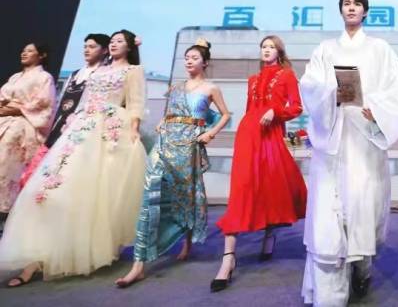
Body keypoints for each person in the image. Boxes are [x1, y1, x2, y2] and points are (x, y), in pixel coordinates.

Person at [0, 30, 147, 286]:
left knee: (95, 194)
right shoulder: (98, 70)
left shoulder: (133, 71)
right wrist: (70, 125)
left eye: (119, 41)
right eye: (112, 41)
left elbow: (135, 103)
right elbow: (83, 101)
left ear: (130, 47)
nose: (114, 44)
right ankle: (35, 258)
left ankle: (80, 250)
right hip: (81, 128)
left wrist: (133, 130)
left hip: (110, 130)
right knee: (52, 186)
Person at [299, 0, 398, 306]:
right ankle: (330, 290)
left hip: (364, 138)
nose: (351, 8)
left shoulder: (380, 49)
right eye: (346, 3)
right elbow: (309, 85)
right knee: (329, 212)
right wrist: (331, 92)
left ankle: (362, 265)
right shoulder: (325, 49)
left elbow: (396, 92)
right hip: (332, 138)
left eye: (357, 3)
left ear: (365, 11)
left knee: (363, 205)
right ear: (341, 11)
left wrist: (376, 109)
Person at [116, 38, 231, 287]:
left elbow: (225, 115)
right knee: (151, 193)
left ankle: (186, 241)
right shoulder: (176, 88)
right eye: (186, 58)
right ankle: (138, 264)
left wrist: (210, 133)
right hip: (165, 141)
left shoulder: (211, 88)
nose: (189, 61)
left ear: (205, 62)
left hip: (188, 145)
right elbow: (170, 112)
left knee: (185, 194)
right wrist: (161, 123)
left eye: (194, 58)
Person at [210, 35, 306, 292]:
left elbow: (296, 107)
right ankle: (228, 258)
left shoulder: (287, 75)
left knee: (271, 189)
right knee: (241, 191)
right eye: (263, 47)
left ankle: (269, 234)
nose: (266, 50)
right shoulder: (252, 79)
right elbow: (250, 110)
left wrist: (276, 111)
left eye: (271, 47)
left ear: (279, 52)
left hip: (271, 137)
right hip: (248, 136)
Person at [19, 34, 110, 189]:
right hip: (58, 126)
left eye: (92, 47)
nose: (87, 50)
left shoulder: (103, 75)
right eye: (85, 47)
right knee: (34, 172)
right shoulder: (75, 74)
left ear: (105, 50)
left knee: (59, 172)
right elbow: (60, 101)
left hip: (77, 128)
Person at [0, 42, 56, 218]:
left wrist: (19, 108)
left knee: (6, 165)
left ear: (41, 55)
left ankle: (4, 209)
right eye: (23, 50)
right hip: (4, 118)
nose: (24, 53)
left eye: (30, 51)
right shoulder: (15, 77)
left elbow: (44, 103)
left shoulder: (44, 77)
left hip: (22, 124)